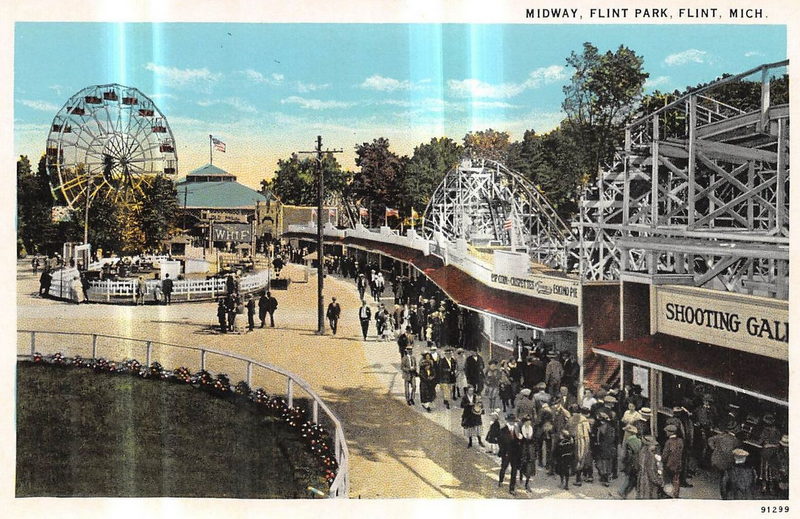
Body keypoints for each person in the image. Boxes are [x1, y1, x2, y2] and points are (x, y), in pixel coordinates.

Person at [498, 413, 521, 494]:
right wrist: (504, 452)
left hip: (514, 453)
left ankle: (512, 488)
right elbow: (500, 443)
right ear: (507, 421)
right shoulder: (503, 430)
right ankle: (501, 480)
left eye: (513, 421)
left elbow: (518, 441)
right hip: (506, 453)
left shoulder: (517, 429)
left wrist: (519, 438)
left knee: (514, 470)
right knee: (503, 467)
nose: (512, 423)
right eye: (510, 421)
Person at [619, 424, 642, 498]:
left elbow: (625, 454)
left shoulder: (628, 441)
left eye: (627, 432)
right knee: (633, 478)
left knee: (629, 478)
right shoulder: (639, 441)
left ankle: (622, 492)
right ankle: (624, 492)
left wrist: (623, 462)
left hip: (630, 462)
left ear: (630, 433)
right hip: (638, 461)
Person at [662, 424, 684, 498]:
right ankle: (676, 494)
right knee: (676, 480)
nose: (666, 433)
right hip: (678, 464)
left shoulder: (668, 442)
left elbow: (665, 455)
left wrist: (662, 461)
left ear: (671, 432)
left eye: (667, 431)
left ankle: (669, 495)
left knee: (668, 481)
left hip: (669, 464)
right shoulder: (680, 441)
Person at [595, 412, 617, 486]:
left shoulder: (600, 429)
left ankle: (604, 478)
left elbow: (598, 440)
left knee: (603, 463)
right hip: (610, 447)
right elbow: (614, 438)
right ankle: (608, 477)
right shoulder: (612, 428)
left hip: (603, 447)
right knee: (609, 463)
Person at [519, 416, 536, 491]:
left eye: (530, 421)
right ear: (524, 422)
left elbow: (534, 440)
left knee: (529, 467)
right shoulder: (521, 429)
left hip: (530, 450)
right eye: (527, 421)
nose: (529, 423)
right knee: (522, 464)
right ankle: (520, 475)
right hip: (523, 450)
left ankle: (527, 483)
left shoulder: (531, 429)